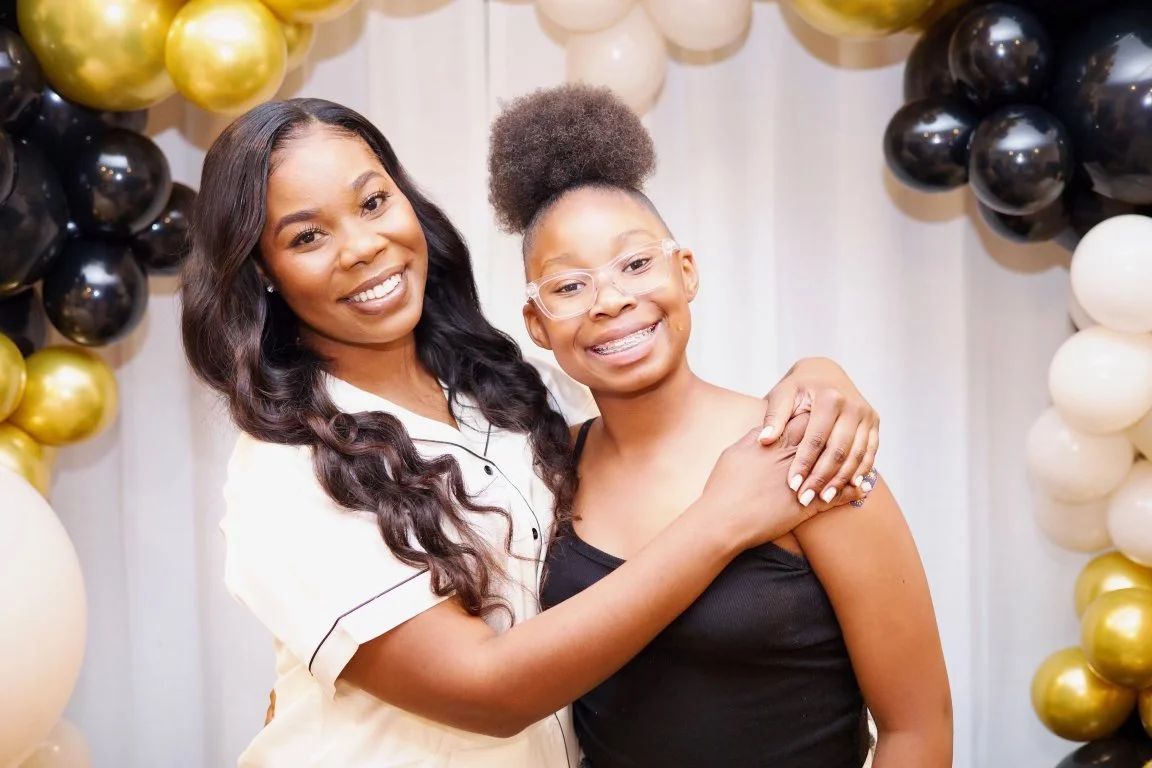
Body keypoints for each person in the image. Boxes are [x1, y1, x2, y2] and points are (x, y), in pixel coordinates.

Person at [180, 97, 882, 767]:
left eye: (373, 202)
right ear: (262, 271)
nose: (363, 246)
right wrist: (721, 520)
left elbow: (650, 421)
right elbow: (489, 692)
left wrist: (817, 376)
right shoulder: (283, 475)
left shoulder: (511, 390)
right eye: (307, 236)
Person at [486, 84, 953, 768]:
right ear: (536, 323)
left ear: (686, 272)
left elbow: (918, 728)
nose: (610, 300)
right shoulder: (547, 474)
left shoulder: (805, 448)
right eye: (568, 286)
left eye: (635, 264)